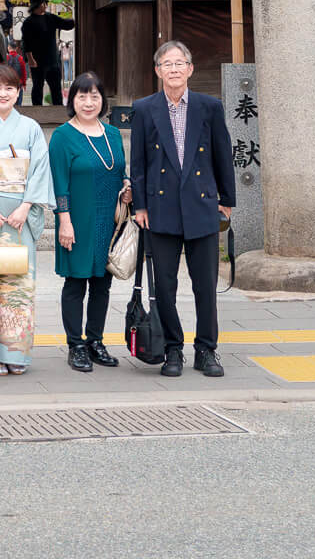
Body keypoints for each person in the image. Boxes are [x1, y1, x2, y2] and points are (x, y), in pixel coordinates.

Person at [131, 40, 236, 378]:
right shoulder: (145, 108)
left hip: (202, 205)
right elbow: (140, 163)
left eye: (180, 63)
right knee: (164, 285)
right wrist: (141, 206)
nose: (174, 69)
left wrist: (227, 199)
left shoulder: (209, 106)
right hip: (160, 209)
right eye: (167, 64)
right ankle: (172, 348)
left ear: (191, 69)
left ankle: (206, 349)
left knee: (205, 285)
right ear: (157, 70)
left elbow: (223, 154)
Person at [0, 64, 55, 376]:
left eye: (9, 88)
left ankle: (16, 352)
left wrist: (25, 206)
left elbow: (40, 168)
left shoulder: (30, 128)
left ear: (19, 92)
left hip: (18, 216)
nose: (3, 94)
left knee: (18, 285)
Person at [50, 71, 128, 372]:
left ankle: (95, 341)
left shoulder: (111, 134)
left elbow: (120, 171)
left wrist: (127, 188)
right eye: (82, 96)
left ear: (102, 100)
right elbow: (59, 185)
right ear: (73, 99)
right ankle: (75, 344)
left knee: (102, 284)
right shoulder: (63, 137)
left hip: (108, 222)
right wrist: (64, 222)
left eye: (94, 96)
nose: (88, 102)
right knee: (75, 283)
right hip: (77, 220)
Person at [19, 0, 76, 106]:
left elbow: (66, 24)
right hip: (36, 60)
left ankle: (58, 110)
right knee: (38, 87)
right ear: (40, 4)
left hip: (52, 59)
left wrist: (77, 15)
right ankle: (37, 111)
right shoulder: (28, 22)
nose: (46, 5)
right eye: (44, 3)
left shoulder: (50, 17)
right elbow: (26, 43)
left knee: (55, 88)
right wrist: (30, 59)